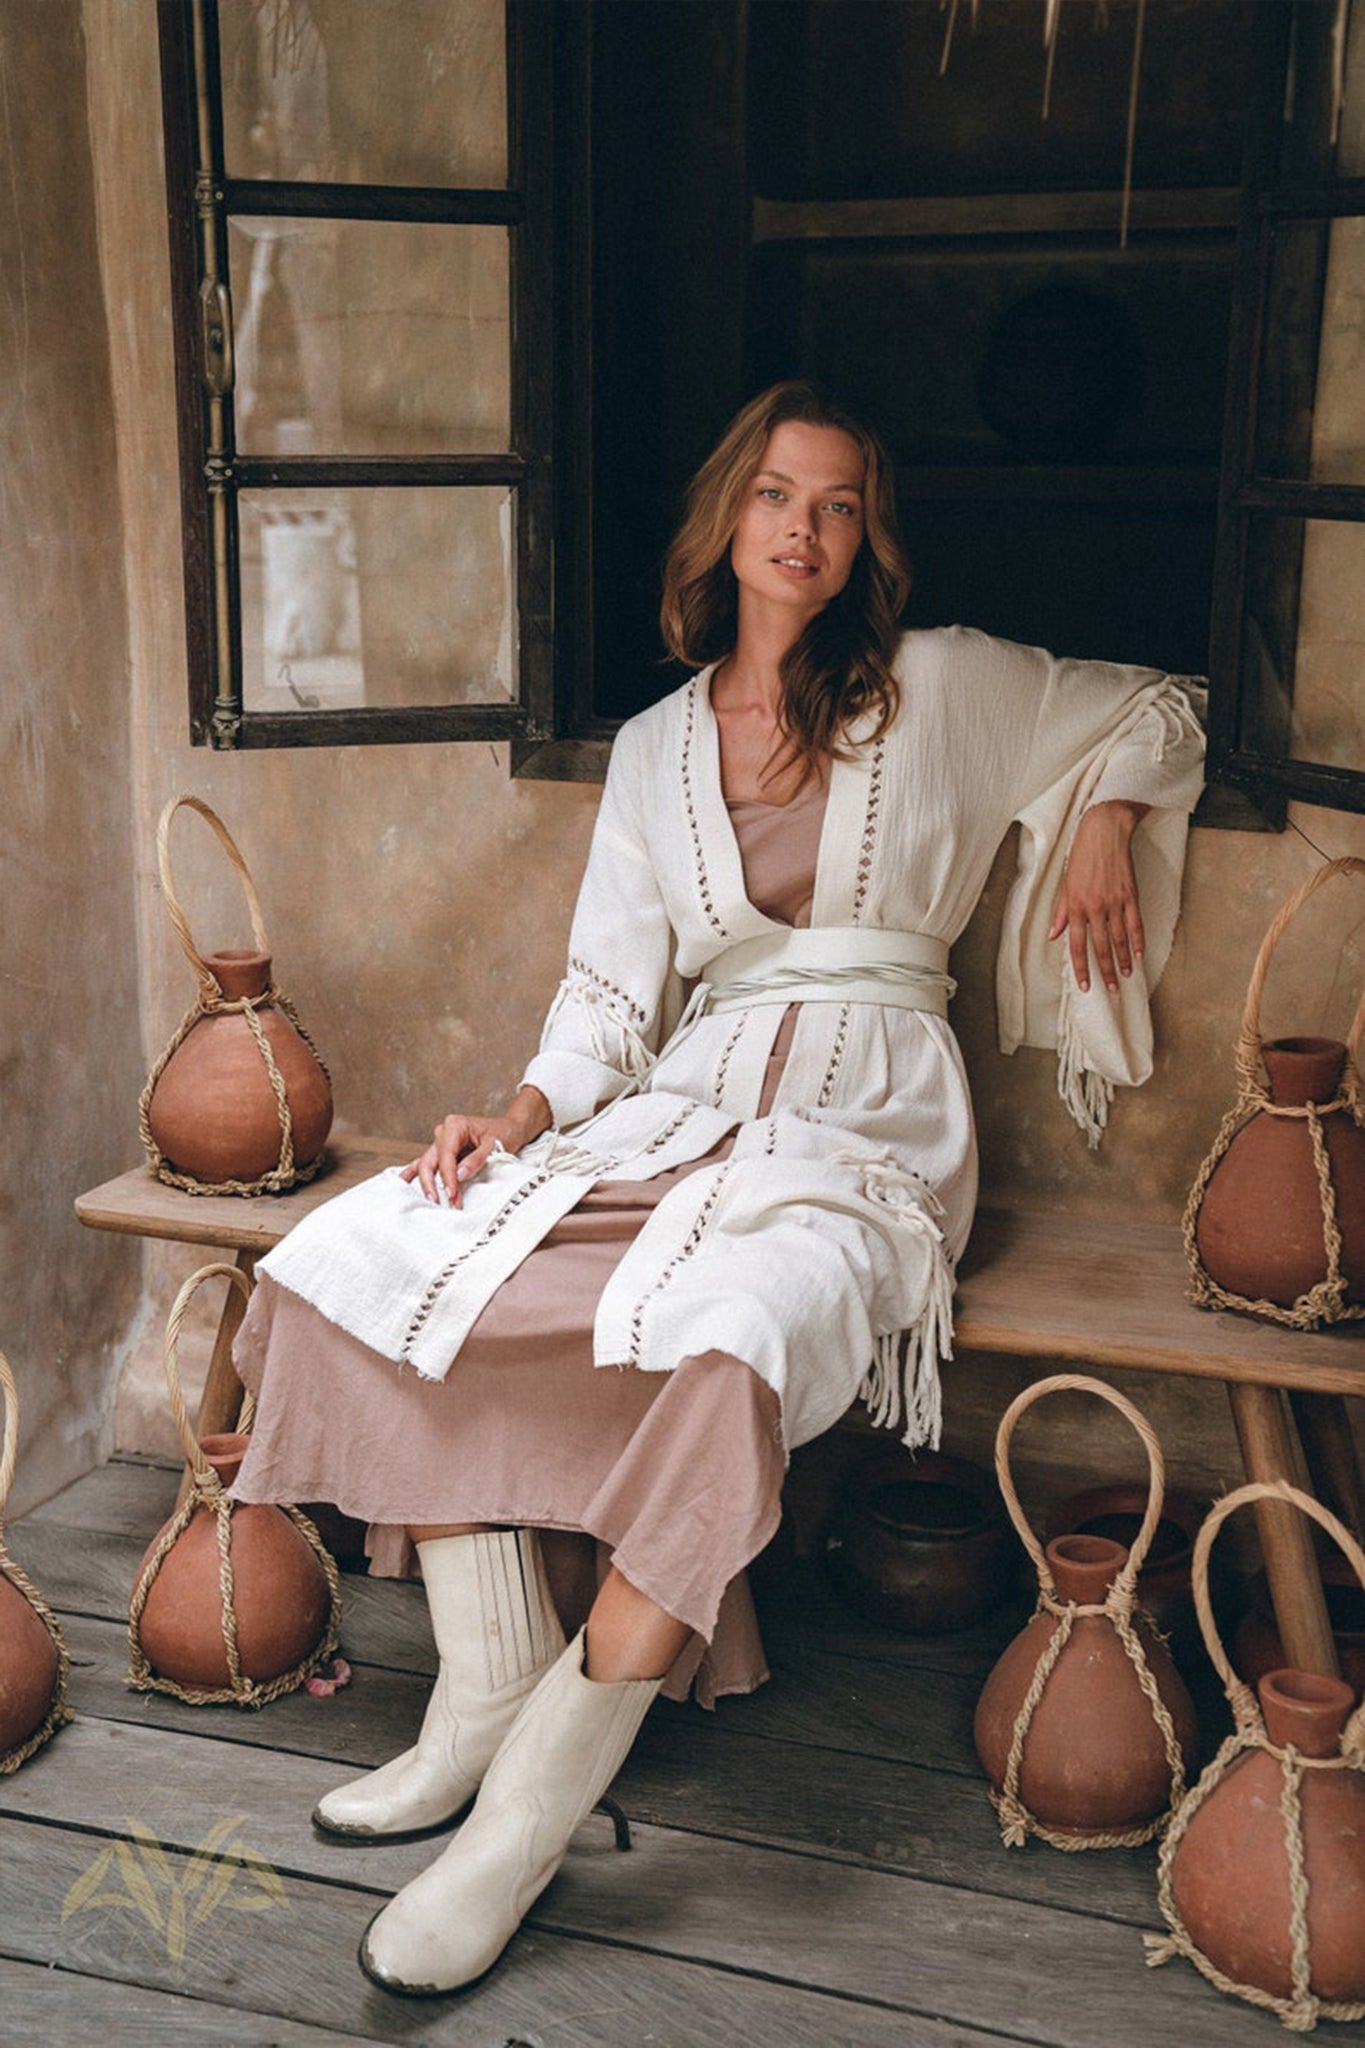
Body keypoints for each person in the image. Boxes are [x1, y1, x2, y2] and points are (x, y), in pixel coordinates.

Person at [232, 379, 1205, 1996]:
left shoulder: (940, 686)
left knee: (739, 1338)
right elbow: (616, 994)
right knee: (376, 1250)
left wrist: (1100, 807)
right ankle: (483, 1688)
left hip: (866, 1130)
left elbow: (1156, 703)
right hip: (678, 1108)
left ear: (863, 535)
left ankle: (523, 1827)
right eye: (774, 496)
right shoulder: (655, 745)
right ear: (725, 520)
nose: (802, 530)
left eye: (835, 504)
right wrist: (518, 1115)